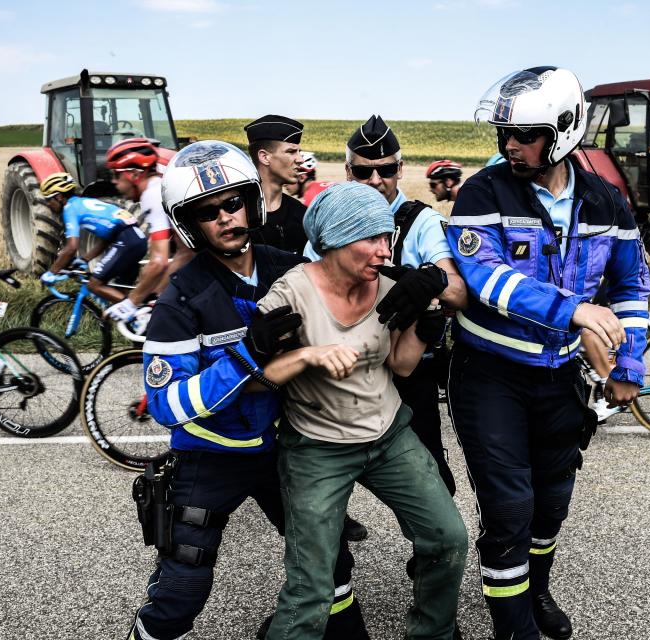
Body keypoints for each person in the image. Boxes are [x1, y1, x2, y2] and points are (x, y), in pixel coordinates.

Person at [125, 141, 368, 640]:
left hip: (287, 446)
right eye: (208, 211)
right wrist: (246, 357)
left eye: (233, 202)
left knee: (331, 562)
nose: (226, 217)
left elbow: (346, 309)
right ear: (189, 223)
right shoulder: (181, 298)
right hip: (209, 457)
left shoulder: (289, 267)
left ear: (252, 202)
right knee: (181, 590)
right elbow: (168, 407)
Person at [446, 66, 650, 640]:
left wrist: (628, 364)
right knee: (509, 509)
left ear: (563, 130)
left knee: (550, 504)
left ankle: (536, 591)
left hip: (561, 376)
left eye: (525, 133)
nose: (510, 143)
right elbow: (484, 277)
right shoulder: (482, 191)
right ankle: (515, 630)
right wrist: (574, 311)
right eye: (505, 132)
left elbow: (631, 288)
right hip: (490, 376)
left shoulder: (607, 200)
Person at [257, 182, 469, 640]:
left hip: (388, 436)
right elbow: (262, 376)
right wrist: (309, 355)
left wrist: (423, 330)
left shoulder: (389, 287)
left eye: (387, 237)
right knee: (312, 585)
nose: (384, 250)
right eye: (371, 238)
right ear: (334, 240)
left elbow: (401, 365)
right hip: (317, 447)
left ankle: (433, 633)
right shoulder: (291, 291)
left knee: (448, 538)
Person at [303, 115, 468, 495]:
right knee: (321, 473)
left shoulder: (422, 221)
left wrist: (433, 279)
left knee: (431, 474)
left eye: (387, 169)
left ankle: (432, 548)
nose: (377, 181)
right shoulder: (331, 217)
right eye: (364, 172)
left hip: (408, 366)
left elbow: (458, 294)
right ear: (348, 171)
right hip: (344, 360)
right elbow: (307, 283)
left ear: (400, 168)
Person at [38, 172, 147, 307]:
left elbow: (71, 247)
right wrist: (85, 259)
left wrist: (51, 272)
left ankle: (135, 312)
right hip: (137, 239)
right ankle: (138, 319)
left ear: (59, 197)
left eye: (49, 200)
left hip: (126, 241)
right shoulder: (84, 202)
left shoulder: (70, 209)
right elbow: (107, 238)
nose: (49, 204)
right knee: (119, 293)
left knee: (93, 285)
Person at [104, 137, 171, 324]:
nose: (114, 182)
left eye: (116, 175)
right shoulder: (162, 186)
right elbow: (186, 253)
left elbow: (158, 262)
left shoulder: (152, 194)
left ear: (134, 174)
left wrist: (131, 303)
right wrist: (155, 295)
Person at [245, 115, 309, 253]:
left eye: (299, 152)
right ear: (264, 157)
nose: (300, 159)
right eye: (291, 151)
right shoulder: (237, 215)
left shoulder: (303, 216)